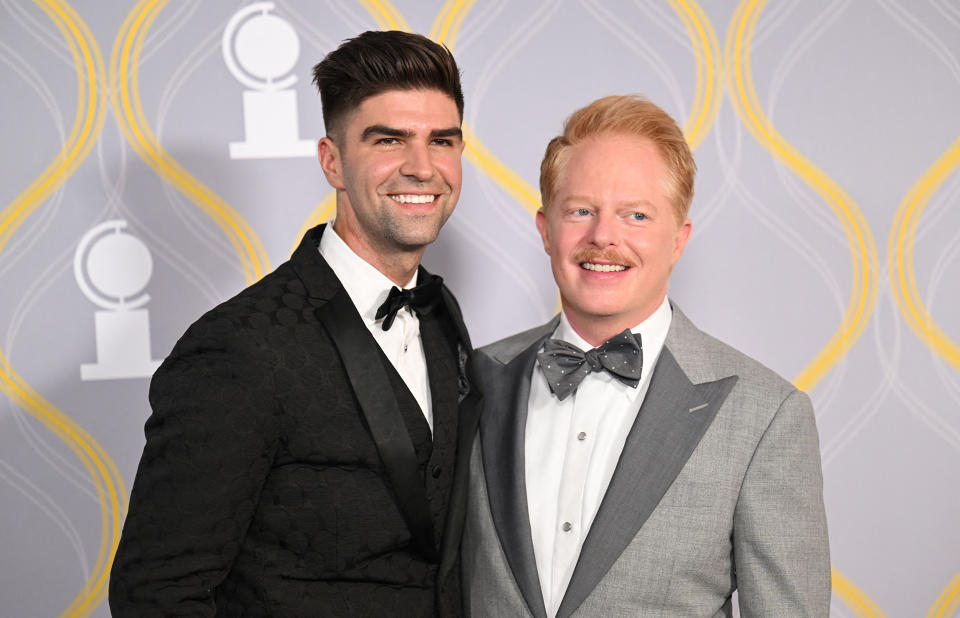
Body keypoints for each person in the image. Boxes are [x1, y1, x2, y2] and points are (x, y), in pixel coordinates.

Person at [110, 30, 481, 617]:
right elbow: (157, 592)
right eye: (389, 140)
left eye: (442, 141)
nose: (422, 167)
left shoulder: (442, 316)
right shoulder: (238, 349)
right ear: (333, 161)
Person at [462, 95, 830, 617]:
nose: (603, 237)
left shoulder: (765, 416)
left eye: (635, 215)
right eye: (581, 211)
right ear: (546, 230)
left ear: (678, 240)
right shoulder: (474, 378)